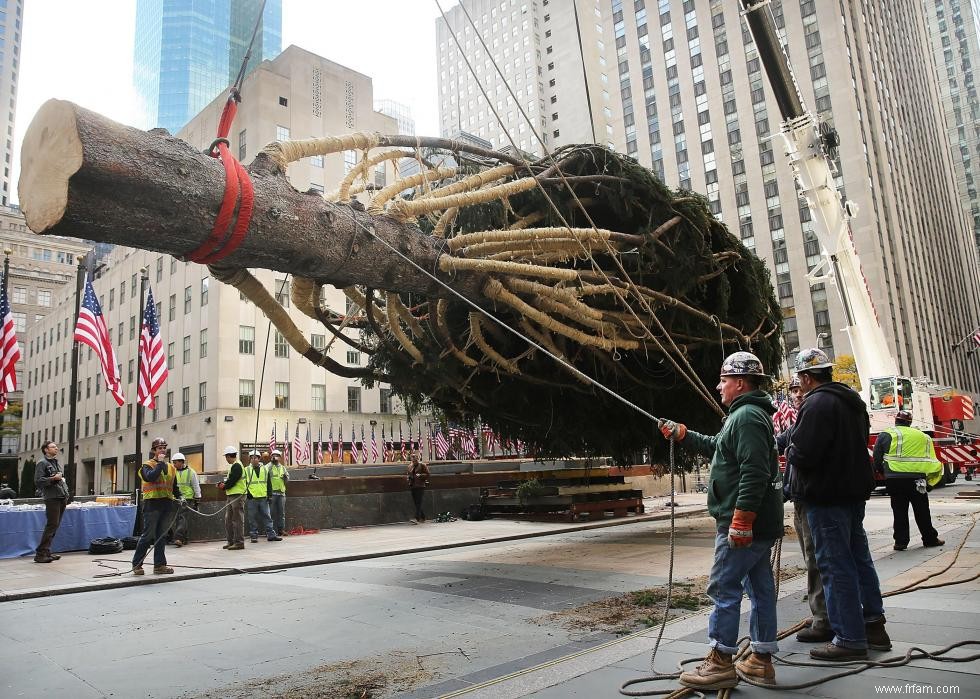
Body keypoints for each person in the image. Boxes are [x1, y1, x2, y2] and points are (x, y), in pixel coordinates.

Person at [659, 351, 784, 689]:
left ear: (740, 383)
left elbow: (754, 472)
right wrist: (684, 434)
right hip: (759, 524)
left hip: (743, 523)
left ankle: (720, 661)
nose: (718, 386)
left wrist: (741, 518)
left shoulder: (745, 418)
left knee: (724, 587)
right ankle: (760, 658)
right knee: (759, 590)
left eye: (724, 380)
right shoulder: (747, 416)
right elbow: (720, 447)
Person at [786, 347, 890, 660]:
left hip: (825, 496)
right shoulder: (850, 401)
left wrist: (790, 449)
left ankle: (849, 638)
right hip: (851, 493)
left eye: (799, 379)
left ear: (806, 377)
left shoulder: (816, 403)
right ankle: (874, 627)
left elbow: (803, 453)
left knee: (835, 566)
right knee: (859, 559)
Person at [778, 374, 832, 643]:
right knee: (816, 558)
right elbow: (780, 440)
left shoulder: (814, 412)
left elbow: (801, 453)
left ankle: (824, 618)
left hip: (814, 499)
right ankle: (823, 611)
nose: (797, 395)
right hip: (805, 498)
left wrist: (790, 451)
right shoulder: (804, 415)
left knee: (816, 559)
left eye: (800, 388)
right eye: (793, 391)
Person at [873, 411, 945, 551]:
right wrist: (930, 482)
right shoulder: (923, 436)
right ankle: (930, 539)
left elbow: (877, 457)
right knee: (922, 510)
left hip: (894, 479)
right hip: (917, 479)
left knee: (899, 510)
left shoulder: (886, 434)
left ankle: (901, 542)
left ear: (896, 421)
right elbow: (931, 460)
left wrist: (883, 473)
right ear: (910, 422)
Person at [131, 438, 180, 575]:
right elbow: (150, 477)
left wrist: (180, 497)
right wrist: (159, 464)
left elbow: (174, 486)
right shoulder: (147, 465)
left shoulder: (171, 467)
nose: (162, 450)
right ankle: (137, 564)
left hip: (166, 504)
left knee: (161, 536)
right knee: (148, 535)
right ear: (154, 450)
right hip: (152, 505)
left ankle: (159, 565)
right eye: (159, 448)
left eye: (164, 447)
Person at [33, 441, 71, 563]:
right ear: (46, 450)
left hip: (61, 496)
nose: (56, 448)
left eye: (56, 447)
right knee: (52, 525)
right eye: (53, 447)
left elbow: (61, 480)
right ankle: (40, 553)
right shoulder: (42, 463)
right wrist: (53, 479)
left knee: (55, 525)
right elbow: (38, 481)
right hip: (52, 498)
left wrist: (66, 492)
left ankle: (47, 551)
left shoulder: (56, 462)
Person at [243, 450, 282, 543]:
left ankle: (271, 535)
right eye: (251, 458)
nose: (253, 460)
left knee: (267, 517)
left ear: (259, 458)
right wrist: (248, 494)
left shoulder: (265, 469)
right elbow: (244, 483)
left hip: (263, 497)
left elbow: (268, 483)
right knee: (252, 518)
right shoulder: (246, 470)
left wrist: (269, 495)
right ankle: (253, 536)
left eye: (255, 458)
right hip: (252, 498)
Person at [216, 445, 246, 550]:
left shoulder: (237, 465)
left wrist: (224, 486)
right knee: (228, 519)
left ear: (229, 456)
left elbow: (233, 480)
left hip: (237, 495)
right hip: (232, 495)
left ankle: (239, 542)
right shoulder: (234, 466)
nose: (226, 459)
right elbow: (232, 479)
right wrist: (224, 485)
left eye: (226, 457)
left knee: (237, 520)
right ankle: (231, 541)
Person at [170, 453, 201, 547]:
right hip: (176, 498)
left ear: (181, 462)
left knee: (182, 518)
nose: (174, 464)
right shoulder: (173, 472)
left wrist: (197, 499)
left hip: (187, 499)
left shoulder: (191, 472)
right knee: (179, 519)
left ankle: (178, 538)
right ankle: (184, 538)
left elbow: (196, 486)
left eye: (175, 462)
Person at [267, 449, 289, 536]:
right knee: (270, 513)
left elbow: (287, 480)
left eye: (277, 456)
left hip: (281, 493)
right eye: (273, 455)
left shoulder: (283, 468)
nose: (275, 457)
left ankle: (281, 530)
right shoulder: (268, 466)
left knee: (281, 513)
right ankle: (270, 531)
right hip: (272, 493)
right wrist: (272, 463)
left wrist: (285, 477)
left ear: (280, 457)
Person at [407, 455, 431, 523]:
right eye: (413, 460)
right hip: (413, 486)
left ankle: (416, 518)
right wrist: (408, 478)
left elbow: (428, 474)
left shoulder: (422, 465)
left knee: (419, 502)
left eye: (415, 460)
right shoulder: (410, 466)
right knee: (416, 503)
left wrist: (420, 475)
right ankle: (423, 517)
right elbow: (408, 474)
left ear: (418, 459)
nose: (414, 461)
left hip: (420, 486)